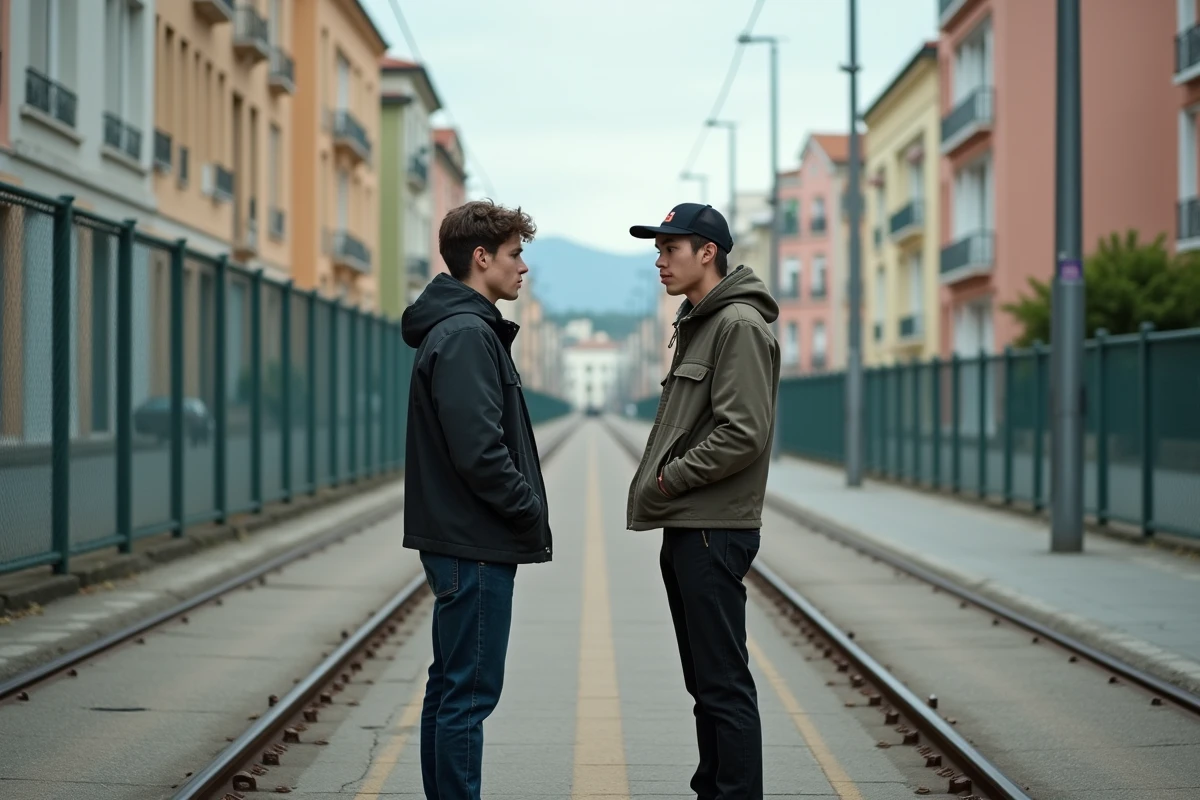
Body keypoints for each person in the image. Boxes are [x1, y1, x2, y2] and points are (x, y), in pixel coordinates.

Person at [625, 202, 781, 800]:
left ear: (707, 252)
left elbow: (743, 431)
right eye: (658, 250)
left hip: (714, 526)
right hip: (693, 526)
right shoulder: (701, 321)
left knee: (722, 683)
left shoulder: (736, 324)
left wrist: (670, 479)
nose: (660, 261)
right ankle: (713, 789)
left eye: (671, 249)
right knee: (705, 680)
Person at [401, 199, 551, 800]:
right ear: (481, 258)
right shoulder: (466, 334)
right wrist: (526, 507)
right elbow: (479, 451)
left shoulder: (464, 328)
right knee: (467, 695)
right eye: (515, 255)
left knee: (450, 689)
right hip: (476, 541)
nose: (522, 268)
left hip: (464, 537)